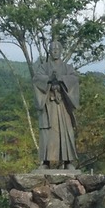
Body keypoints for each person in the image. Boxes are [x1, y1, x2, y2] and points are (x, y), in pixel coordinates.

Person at [32, 39, 79, 169]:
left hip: (63, 105)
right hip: (49, 105)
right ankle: (45, 162)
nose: (55, 52)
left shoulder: (67, 68)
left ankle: (68, 162)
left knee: (66, 132)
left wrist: (61, 79)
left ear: (61, 51)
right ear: (49, 51)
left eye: (57, 49)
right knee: (47, 133)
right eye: (53, 50)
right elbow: (36, 79)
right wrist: (49, 80)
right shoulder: (44, 67)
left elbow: (74, 79)